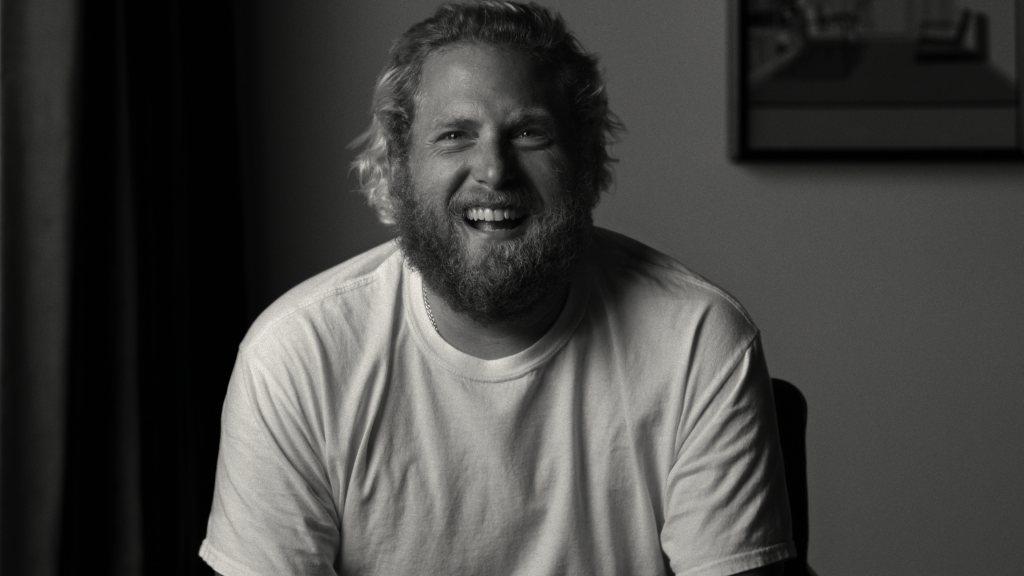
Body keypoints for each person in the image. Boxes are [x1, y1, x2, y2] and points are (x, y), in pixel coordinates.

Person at [200, 2, 796, 575]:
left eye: (530, 134)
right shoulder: (295, 357)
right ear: (400, 165)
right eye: (455, 134)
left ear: (586, 160)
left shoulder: (698, 341)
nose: (494, 170)